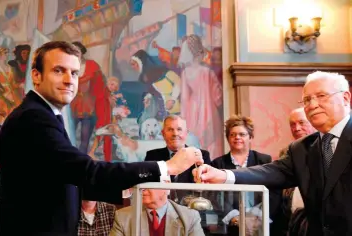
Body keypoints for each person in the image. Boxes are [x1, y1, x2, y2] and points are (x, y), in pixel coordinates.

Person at [0, 41, 204, 236]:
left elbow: (67, 178)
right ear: (36, 75)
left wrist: (132, 191)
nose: (69, 80)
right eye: (58, 70)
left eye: (75, 73)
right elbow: (86, 172)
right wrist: (167, 168)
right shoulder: (34, 117)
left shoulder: (43, 114)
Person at [193, 71, 352, 235]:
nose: (312, 105)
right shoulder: (301, 148)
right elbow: (271, 172)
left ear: (346, 98)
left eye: (321, 96)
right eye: (307, 100)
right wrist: (223, 175)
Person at [210, 115, 281, 235]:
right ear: (228, 138)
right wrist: (235, 218)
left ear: (250, 137)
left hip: (261, 224)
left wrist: (257, 216)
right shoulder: (217, 164)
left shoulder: (264, 160)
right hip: (230, 227)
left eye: (242, 134)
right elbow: (215, 195)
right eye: (232, 134)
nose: (237, 137)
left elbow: (274, 192)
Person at [144, 115, 211, 203]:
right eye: (170, 129)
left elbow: (207, 191)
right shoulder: (152, 156)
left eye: (179, 129)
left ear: (186, 133)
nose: (175, 134)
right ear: (163, 134)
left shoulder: (201, 155)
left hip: (192, 212)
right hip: (163, 210)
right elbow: (146, 188)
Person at [110, 179, 205, 236]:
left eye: (149, 183)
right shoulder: (123, 216)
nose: (143, 189)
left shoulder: (190, 216)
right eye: (141, 184)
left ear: (166, 187)